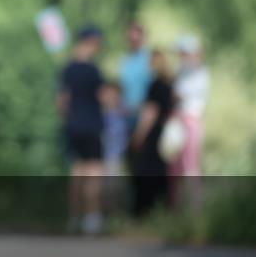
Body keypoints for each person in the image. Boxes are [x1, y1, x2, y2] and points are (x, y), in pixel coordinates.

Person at [56, 25, 105, 235]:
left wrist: (70, 120)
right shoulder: (93, 70)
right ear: (92, 42)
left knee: (77, 172)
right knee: (94, 173)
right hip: (92, 125)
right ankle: (92, 218)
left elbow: (61, 102)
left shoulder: (67, 69)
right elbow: (104, 98)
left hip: (74, 127)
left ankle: (74, 217)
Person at [130, 49, 175, 217]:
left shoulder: (155, 85)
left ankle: (143, 213)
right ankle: (162, 210)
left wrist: (138, 135)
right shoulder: (169, 84)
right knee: (161, 172)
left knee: (145, 173)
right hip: (163, 133)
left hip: (153, 134)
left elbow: (150, 112)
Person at [170, 34, 210, 210]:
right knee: (175, 168)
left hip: (191, 121)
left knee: (190, 167)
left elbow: (184, 95)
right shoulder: (180, 72)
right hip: (177, 122)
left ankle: (195, 209)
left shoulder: (200, 73)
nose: (183, 57)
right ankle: (176, 209)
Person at [99, 80, 128, 214]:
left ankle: (114, 215)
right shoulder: (100, 113)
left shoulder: (122, 113)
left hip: (115, 156)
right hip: (101, 156)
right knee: (102, 188)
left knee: (113, 187)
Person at [119, 22, 152, 137]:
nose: (133, 41)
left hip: (143, 114)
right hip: (126, 113)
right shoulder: (125, 60)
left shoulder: (149, 59)